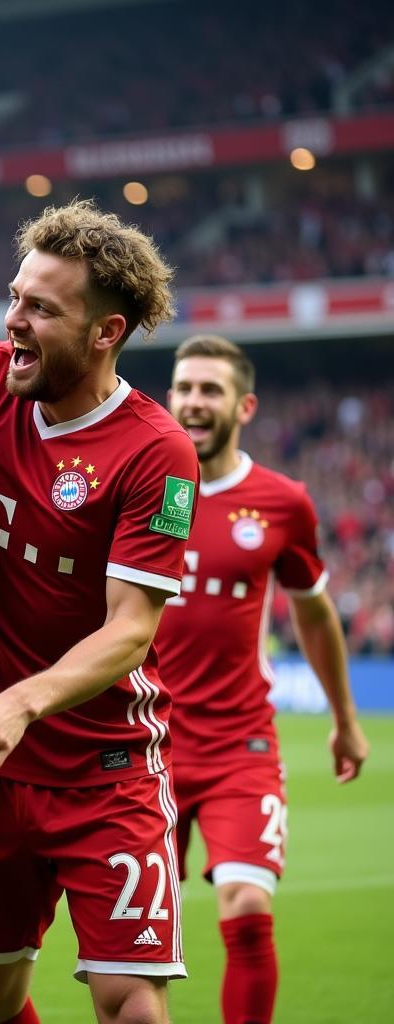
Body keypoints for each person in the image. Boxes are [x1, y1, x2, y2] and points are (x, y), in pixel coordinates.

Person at [0, 199, 198, 1024]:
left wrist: (18, 701)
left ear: (105, 332)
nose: (12, 321)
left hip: (105, 770)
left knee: (131, 1007)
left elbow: (130, 628)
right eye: (14, 297)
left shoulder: (158, 452)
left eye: (42, 308)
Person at [157, 334, 369, 1024]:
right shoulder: (139, 486)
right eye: (185, 387)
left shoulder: (283, 503)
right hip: (141, 745)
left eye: (210, 390)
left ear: (243, 406)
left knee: (246, 905)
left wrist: (344, 720)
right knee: (134, 939)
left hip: (236, 747)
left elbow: (315, 617)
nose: (194, 402)